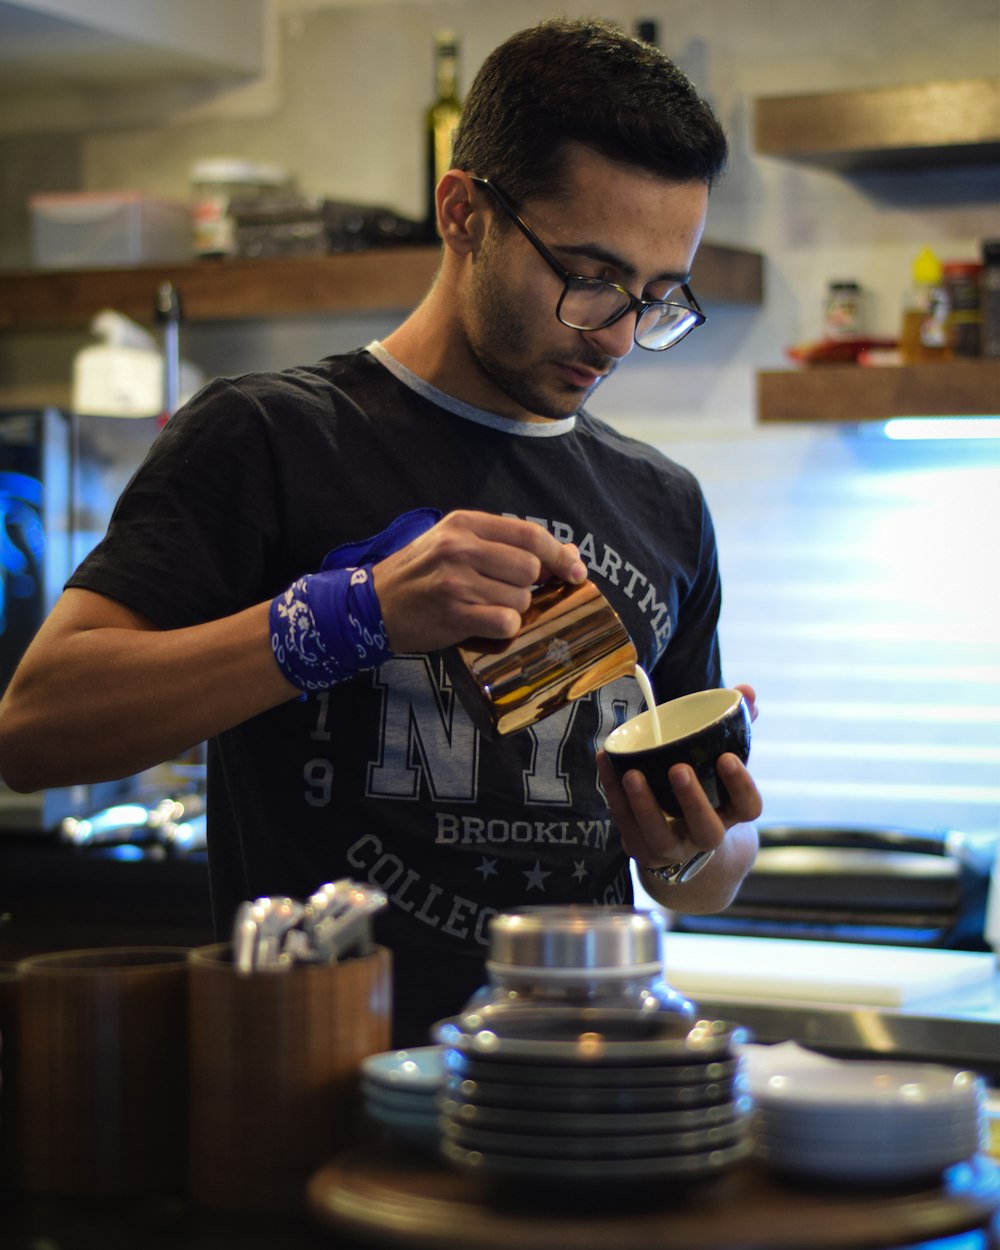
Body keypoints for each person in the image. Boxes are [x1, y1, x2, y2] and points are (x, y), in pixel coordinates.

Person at [0, 17, 761, 1045]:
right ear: (463, 212)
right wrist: (351, 616)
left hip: (574, 1087)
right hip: (314, 1096)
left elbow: (704, 879)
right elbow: (37, 726)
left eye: (657, 297)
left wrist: (691, 844)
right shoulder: (266, 435)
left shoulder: (662, 502)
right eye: (587, 276)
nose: (619, 335)